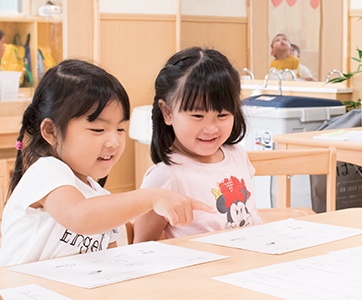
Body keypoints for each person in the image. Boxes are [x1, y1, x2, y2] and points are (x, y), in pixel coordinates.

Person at [0, 59, 214, 267]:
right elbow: (80, 215)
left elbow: (111, 262)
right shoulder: (46, 170)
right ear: (51, 131)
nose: (114, 142)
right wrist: (152, 196)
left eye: (120, 129)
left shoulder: (100, 199)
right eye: (98, 130)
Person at [133, 47, 262, 243]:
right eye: (197, 116)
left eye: (222, 115)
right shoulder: (167, 175)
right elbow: (142, 246)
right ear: (167, 112)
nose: (211, 128)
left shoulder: (237, 154)